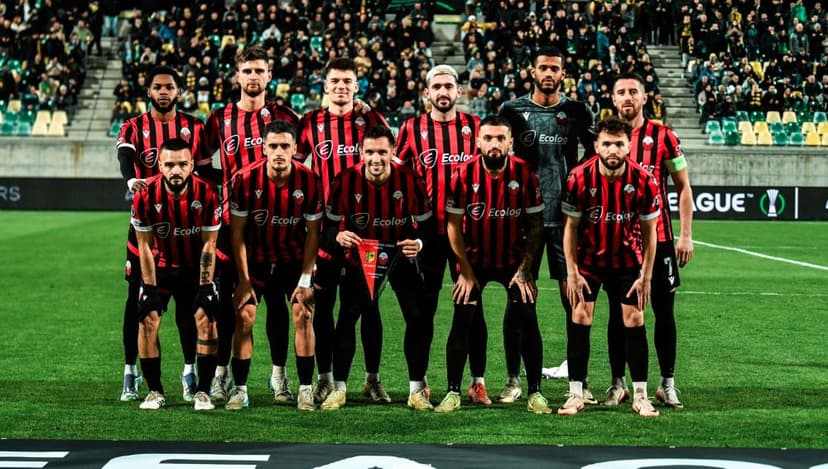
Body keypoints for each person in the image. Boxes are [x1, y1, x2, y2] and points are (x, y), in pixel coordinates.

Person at [498, 46, 597, 404]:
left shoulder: (577, 111)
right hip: (522, 222)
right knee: (519, 300)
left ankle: (580, 382)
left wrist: (578, 185)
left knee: (574, 301)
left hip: (565, 220)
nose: (549, 74)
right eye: (544, 68)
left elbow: (594, 153)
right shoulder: (511, 111)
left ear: (563, 73)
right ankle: (513, 379)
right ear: (533, 71)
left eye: (555, 68)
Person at [435, 116, 551, 415]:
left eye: (500, 138)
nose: (494, 144)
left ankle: (536, 392)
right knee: (463, 318)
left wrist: (526, 269)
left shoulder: (524, 174)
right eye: (488, 138)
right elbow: (453, 226)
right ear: (478, 141)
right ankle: (453, 391)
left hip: (513, 261)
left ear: (510, 142)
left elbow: (536, 225)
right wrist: (464, 271)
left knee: (528, 316)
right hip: (474, 260)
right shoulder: (463, 174)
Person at [205, 45, 300, 404]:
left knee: (276, 304)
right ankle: (221, 376)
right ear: (237, 75)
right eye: (247, 70)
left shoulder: (285, 116)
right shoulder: (220, 118)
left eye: (260, 70)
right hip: (232, 224)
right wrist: (230, 182)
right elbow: (201, 162)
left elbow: (301, 156)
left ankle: (279, 376)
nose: (253, 76)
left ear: (269, 75)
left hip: (276, 226)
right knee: (230, 305)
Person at [116, 65, 215, 402]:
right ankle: (131, 372)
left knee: (190, 306)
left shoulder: (195, 126)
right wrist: (132, 180)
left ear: (178, 91)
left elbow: (205, 171)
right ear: (148, 91)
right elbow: (126, 155)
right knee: (138, 302)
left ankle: (189, 372)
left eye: (169, 87)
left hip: (187, 227)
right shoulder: (134, 126)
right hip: (147, 225)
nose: (163, 92)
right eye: (157, 87)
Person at [394, 64, 489, 407]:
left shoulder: (475, 127)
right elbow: (396, 175)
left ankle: (477, 383)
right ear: (427, 93)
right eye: (437, 86)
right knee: (424, 311)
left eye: (449, 86)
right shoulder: (411, 129)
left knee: (473, 309)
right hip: (428, 236)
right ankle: (418, 384)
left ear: (459, 92)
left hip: (468, 236)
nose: (443, 92)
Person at [319, 125, 433, 411]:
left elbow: (428, 226)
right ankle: (340, 388)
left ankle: (416, 390)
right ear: (361, 153)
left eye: (382, 152)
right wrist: (338, 236)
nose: (376, 158)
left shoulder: (410, 179)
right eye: (370, 152)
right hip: (359, 258)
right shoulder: (345, 180)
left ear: (392, 152)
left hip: (399, 255)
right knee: (349, 317)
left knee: (417, 317)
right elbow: (327, 226)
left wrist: (419, 242)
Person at [294, 57, 388, 404]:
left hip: (367, 226)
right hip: (325, 227)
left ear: (356, 86)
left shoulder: (371, 120)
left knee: (369, 305)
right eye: (335, 81)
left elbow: (389, 159)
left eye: (347, 81)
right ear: (325, 86)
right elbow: (296, 167)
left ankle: (372, 378)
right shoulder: (310, 122)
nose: (341, 86)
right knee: (324, 304)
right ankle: (325, 378)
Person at [559, 116, 661, 417]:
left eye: (618, 144)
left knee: (634, 318)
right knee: (580, 315)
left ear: (628, 146)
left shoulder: (643, 180)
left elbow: (650, 233)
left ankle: (641, 395)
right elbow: (570, 229)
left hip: (627, 261)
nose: (612, 150)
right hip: (588, 261)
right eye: (606, 144)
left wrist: (646, 276)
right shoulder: (579, 178)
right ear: (596, 146)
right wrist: (572, 272)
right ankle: (575, 393)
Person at [603, 73, 694, 408]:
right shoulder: (606, 137)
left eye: (633, 92)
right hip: (618, 244)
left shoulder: (663, 136)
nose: (627, 97)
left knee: (664, 312)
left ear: (644, 97)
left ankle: (667, 383)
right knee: (618, 314)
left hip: (661, 239)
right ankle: (618, 383)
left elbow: (684, 187)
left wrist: (686, 235)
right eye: (621, 92)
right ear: (613, 99)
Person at [227, 120, 322, 411]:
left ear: (294, 149)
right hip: (255, 260)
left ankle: (305, 389)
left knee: (303, 314)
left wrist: (305, 279)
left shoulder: (309, 180)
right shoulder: (244, 179)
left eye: (284, 146)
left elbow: (313, 233)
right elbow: (237, 234)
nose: (279, 152)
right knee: (245, 316)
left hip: (292, 259)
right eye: (273, 146)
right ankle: (240, 390)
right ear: (264, 148)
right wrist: (244, 280)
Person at [130, 138, 222, 411]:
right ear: (160, 165)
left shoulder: (207, 192)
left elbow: (210, 244)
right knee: (147, 319)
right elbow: (144, 246)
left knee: (206, 318)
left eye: (182, 164)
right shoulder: (145, 195)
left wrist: (205, 286)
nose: (176, 170)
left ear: (192, 165)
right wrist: (149, 288)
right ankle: (154, 391)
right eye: (169, 165)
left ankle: (203, 392)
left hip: (195, 267)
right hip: (160, 267)